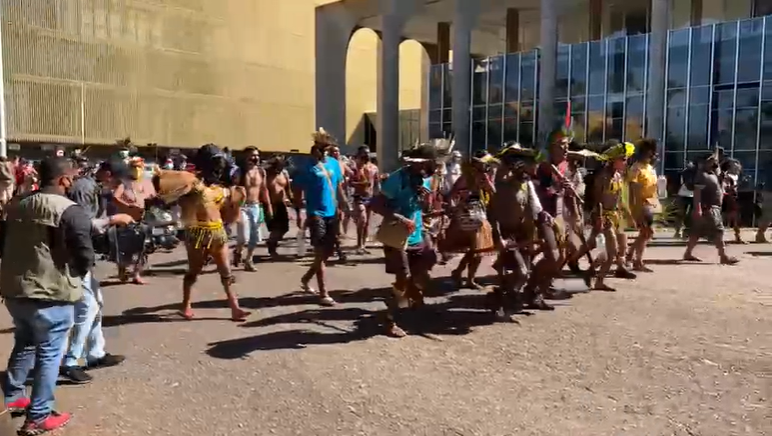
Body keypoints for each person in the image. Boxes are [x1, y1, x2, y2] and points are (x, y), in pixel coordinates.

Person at [1, 158, 94, 434]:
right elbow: (84, 254)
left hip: (16, 290)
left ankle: (14, 396)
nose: (74, 182)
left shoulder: (17, 204)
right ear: (64, 180)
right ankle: (38, 416)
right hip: (51, 293)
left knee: (25, 341)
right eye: (73, 178)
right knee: (50, 353)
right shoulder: (70, 211)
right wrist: (76, 273)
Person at [153, 144, 250, 321]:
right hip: (197, 234)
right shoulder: (191, 182)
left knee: (226, 272)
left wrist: (238, 199)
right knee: (194, 271)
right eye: (216, 163)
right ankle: (185, 305)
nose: (219, 168)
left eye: (220, 164)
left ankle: (235, 308)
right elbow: (160, 184)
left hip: (218, 233)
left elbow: (230, 213)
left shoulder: (221, 188)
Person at [60, 161, 132, 384]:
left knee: (96, 303)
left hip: (82, 253)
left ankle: (95, 354)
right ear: (108, 174)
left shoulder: (95, 188)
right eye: (118, 180)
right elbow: (79, 225)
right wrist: (112, 220)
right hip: (73, 255)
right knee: (87, 306)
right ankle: (70, 362)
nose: (118, 185)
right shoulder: (84, 188)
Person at [370, 144, 440, 337]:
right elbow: (375, 204)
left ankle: (413, 301)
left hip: (416, 234)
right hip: (396, 235)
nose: (432, 167)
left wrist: (426, 202)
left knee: (424, 276)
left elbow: (421, 210)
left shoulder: (423, 181)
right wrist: (400, 218)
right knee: (404, 278)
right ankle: (389, 319)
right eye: (429, 163)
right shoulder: (397, 178)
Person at [488, 143, 546, 319]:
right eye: (526, 165)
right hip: (506, 234)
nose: (531, 168)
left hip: (522, 234)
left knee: (522, 273)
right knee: (522, 272)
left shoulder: (525, 185)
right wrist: (499, 237)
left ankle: (502, 297)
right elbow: (493, 216)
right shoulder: (502, 187)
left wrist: (535, 233)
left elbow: (531, 209)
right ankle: (508, 298)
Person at [292, 128, 348, 306]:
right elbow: (297, 189)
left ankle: (306, 278)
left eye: (326, 149)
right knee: (320, 251)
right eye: (321, 149)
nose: (324, 152)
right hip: (316, 214)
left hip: (332, 212)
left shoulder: (333, 164)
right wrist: (300, 209)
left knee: (328, 252)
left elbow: (338, 187)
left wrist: (345, 205)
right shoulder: (307, 167)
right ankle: (324, 293)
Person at [442, 150, 498, 290]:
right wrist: (456, 207)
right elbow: (450, 195)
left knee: (476, 249)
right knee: (478, 250)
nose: (487, 167)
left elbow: (493, 193)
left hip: (480, 215)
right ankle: (468, 279)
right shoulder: (465, 178)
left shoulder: (484, 177)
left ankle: (460, 273)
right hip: (468, 216)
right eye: (485, 165)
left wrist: (486, 182)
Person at [588, 142, 636, 292]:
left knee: (604, 248)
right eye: (622, 158)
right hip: (604, 216)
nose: (625, 161)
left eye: (626, 158)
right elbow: (597, 199)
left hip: (615, 216)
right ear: (613, 160)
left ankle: (589, 273)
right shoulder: (603, 177)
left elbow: (620, 198)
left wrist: (629, 215)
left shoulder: (618, 176)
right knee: (611, 252)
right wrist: (599, 217)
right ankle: (598, 280)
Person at [682, 151, 739, 265]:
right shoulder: (701, 175)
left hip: (712, 207)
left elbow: (721, 188)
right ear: (705, 162)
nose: (715, 162)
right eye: (713, 160)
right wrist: (698, 208)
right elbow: (697, 193)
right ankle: (723, 256)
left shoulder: (713, 174)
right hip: (708, 208)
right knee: (719, 231)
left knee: (696, 233)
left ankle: (688, 253)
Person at [110, 155, 155, 284]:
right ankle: (122, 270)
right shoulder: (124, 183)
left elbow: (152, 196)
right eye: (134, 167)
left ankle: (136, 274)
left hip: (142, 219)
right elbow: (115, 198)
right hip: (126, 221)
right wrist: (128, 206)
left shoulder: (146, 182)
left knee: (141, 248)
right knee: (124, 248)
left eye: (139, 167)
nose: (137, 170)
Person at [234, 146, 271, 271]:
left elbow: (264, 190)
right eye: (252, 155)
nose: (255, 158)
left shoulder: (261, 172)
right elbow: (234, 189)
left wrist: (268, 206)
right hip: (242, 207)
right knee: (244, 238)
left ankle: (249, 260)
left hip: (256, 206)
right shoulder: (240, 172)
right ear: (245, 158)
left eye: (257, 155)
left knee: (255, 238)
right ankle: (238, 251)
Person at [627, 138, 660, 272]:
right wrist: (637, 209)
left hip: (651, 203)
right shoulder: (636, 168)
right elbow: (633, 190)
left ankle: (630, 255)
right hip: (641, 205)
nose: (653, 155)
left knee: (645, 234)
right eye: (650, 153)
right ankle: (637, 261)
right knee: (647, 233)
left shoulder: (650, 168)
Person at [350, 146, 379, 254]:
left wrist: (378, 198)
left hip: (370, 197)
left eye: (367, 153)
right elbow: (350, 183)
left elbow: (376, 184)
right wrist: (361, 184)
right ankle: (359, 244)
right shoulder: (355, 168)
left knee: (366, 223)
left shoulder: (374, 168)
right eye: (363, 154)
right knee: (362, 220)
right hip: (359, 197)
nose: (365, 156)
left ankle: (363, 245)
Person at [265, 155, 292, 257]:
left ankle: (272, 242)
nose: (279, 168)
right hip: (270, 204)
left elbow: (288, 189)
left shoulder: (284, 174)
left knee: (284, 228)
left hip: (281, 204)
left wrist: (292, 199)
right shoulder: (267, 175)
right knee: (275, 228)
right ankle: (272, 247)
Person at [674, 161, 696, 239]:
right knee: (681, 214)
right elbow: (687, 184)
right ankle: (678, 231)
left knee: (689, 215)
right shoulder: (686, 172)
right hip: (684, 194)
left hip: (692, 195)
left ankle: (685, 231)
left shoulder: (697, 171)